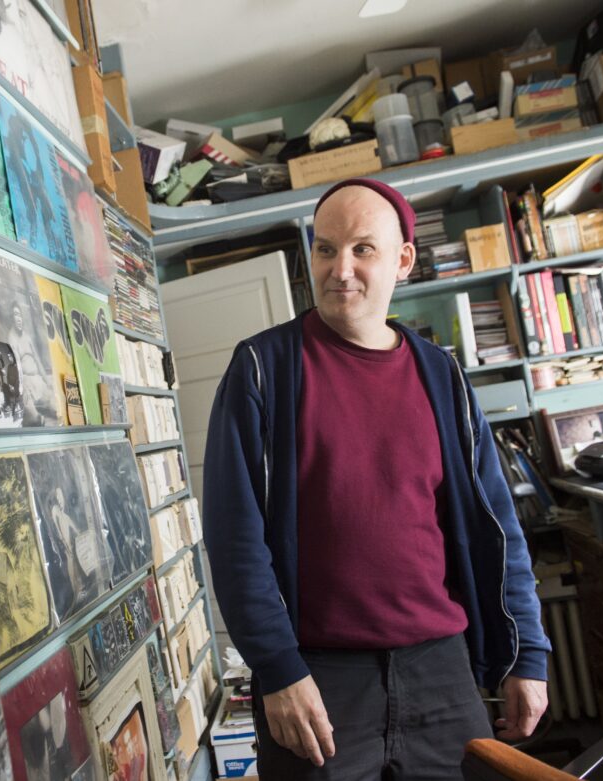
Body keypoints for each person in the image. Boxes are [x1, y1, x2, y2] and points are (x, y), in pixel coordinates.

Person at [203, 178, 549, 779]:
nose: (341, 269)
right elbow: (235, 540)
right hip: (317, 682)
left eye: (363, 248)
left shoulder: (442, 376)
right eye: (326, 248)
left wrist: (530, 655)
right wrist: (279, 669)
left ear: (403, 260)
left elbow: (499, 525)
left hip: (443, 673)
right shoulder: (263, 369)